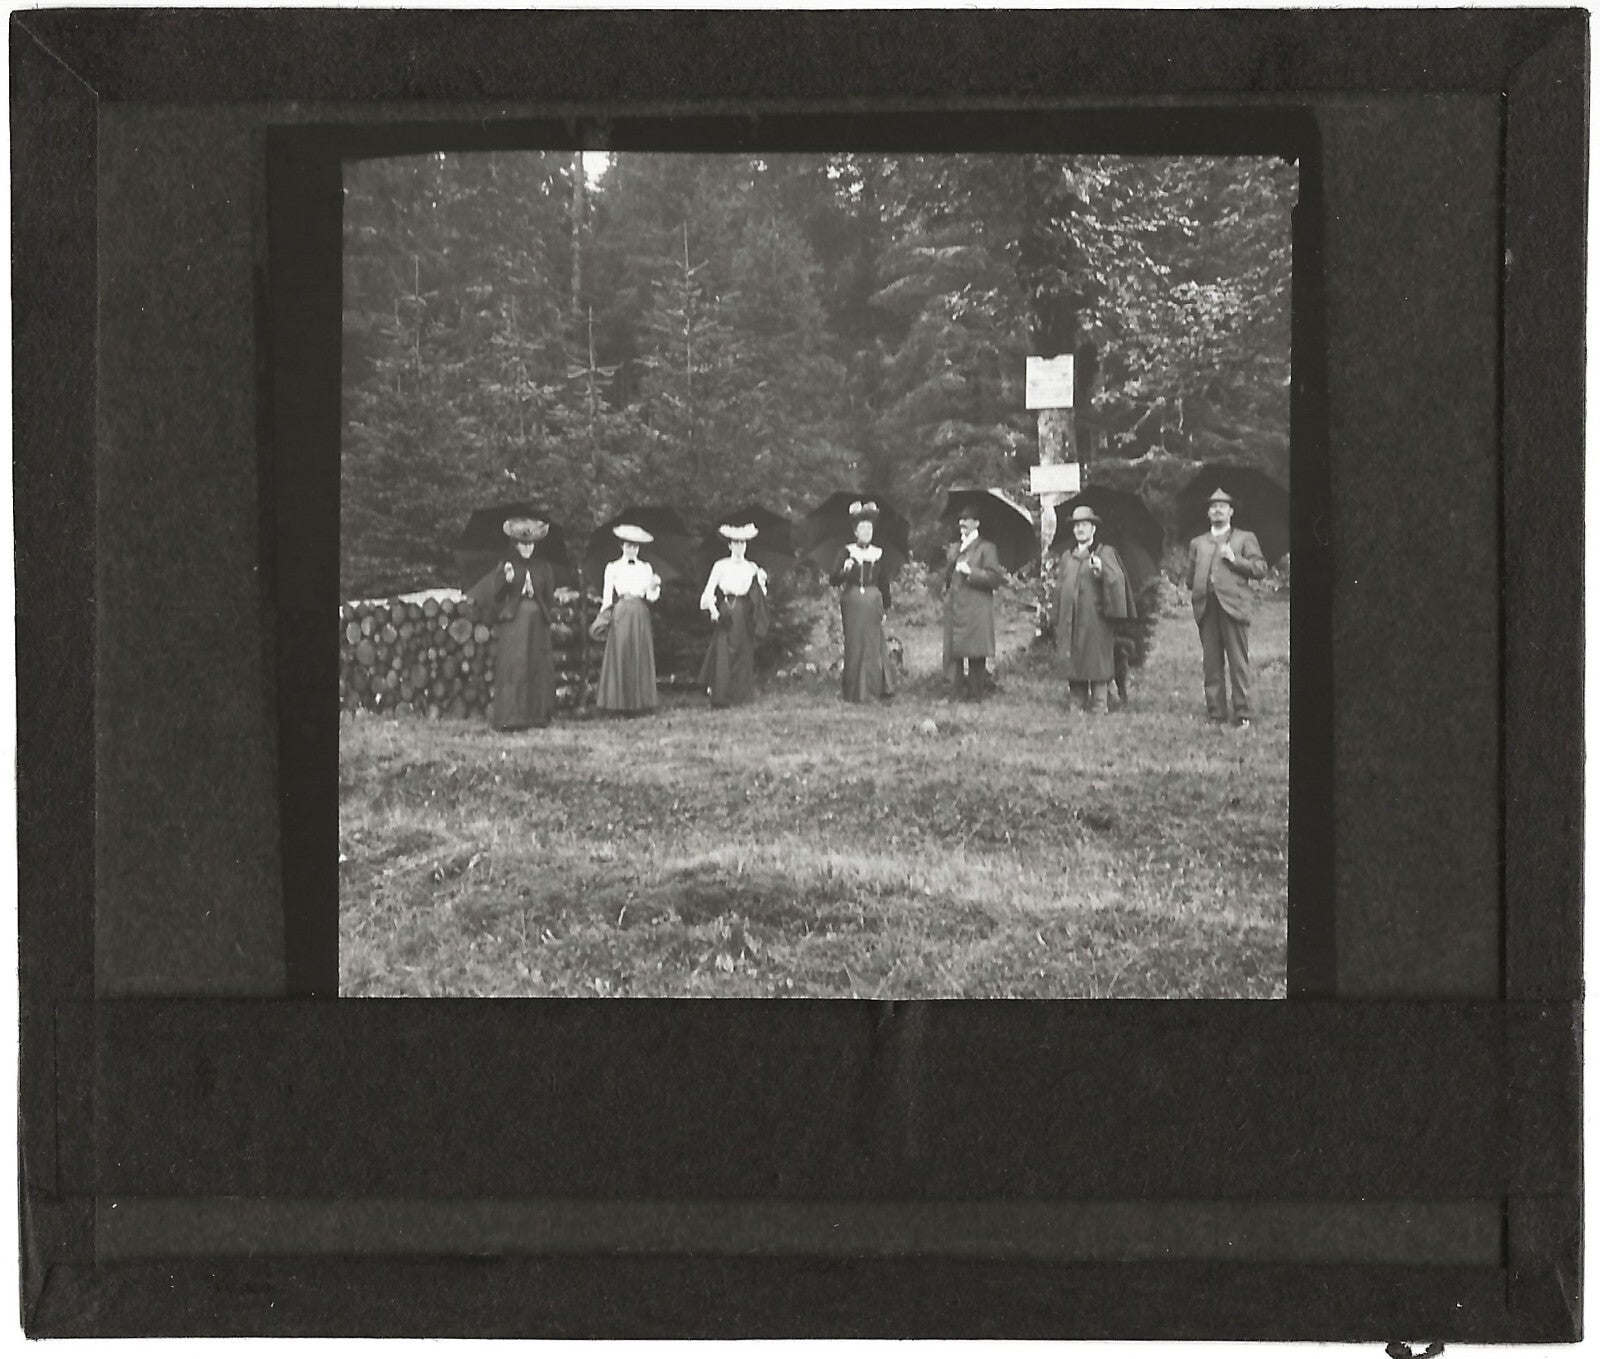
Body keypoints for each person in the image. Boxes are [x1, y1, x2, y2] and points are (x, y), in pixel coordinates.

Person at [1185, 488, 1268, 729]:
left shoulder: (1244, 538)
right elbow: (1190, 578)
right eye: (1212, 506)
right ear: (1208, 513)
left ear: (1231, 511)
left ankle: (1242, 713)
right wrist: (1200, 587)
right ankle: (1216, 713)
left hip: (1234, 607)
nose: (1217, 509)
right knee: (1211, 663)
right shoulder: (1198, 543)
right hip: (1207, 608)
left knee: (1238, 662)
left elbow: (1260, 568)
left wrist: (1235, 560)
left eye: (1222, 505)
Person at [467, 515, 558, 731]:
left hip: (537, 624)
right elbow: (497, 597)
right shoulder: (507, 565)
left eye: (530, 544)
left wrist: (538, 598)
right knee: (515, 668)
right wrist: (506, 581)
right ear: (516, 544)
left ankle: (537, 716)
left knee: (536, 667)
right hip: (514, 623)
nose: (527, 548)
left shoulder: (543, 567)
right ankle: (512, 717)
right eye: (523, 544)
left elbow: (549, 597)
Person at [1052, 504, 1134, 714]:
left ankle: (1100, 704)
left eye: (1084, 525)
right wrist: (1057, 618)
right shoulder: (1067, 557)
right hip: (1071, 619)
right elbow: (1060, 588)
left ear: (1093, 529)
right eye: (1076, 525)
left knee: (1096, 660)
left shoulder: (1104, 553)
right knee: (1075, 660)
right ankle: (1076, 702)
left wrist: (1102, 571)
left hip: (1096, 619)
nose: (1080, 529)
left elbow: (1118, 581)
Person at [827, 502, 896, 703]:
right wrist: (845, 570)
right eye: (863, 529)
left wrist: (885, 607)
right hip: (853, 601)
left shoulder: (878, 553)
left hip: (873, 600)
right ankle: (854, 692)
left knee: (873, 643)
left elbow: (884, 582)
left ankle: (873, 690)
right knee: (855, 644)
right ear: (856, 532)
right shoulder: (845, 552)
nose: (867, 532)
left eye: (870, 528)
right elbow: (834, 580)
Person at [698, 523, 770, 708]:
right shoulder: (721, 565)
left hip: (745, 611)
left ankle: (740, 695)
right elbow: (708, 592)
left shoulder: (752, 567)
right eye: (736, 543)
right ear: (729, 545)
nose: (739, 546)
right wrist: (713, 610)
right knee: (724, 651)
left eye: (743, 543)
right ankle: (721, 696)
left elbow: (759, 596)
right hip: (728, 609)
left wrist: (761, 581)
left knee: (743, 650)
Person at [595, 524, 662, 715]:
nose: (632, 549)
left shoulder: (646, 567)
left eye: (635, 546)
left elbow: (651, 597)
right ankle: (618, 704)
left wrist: (654, 586)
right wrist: (604, 617)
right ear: (621, 545)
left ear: (639, 548)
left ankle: (640, 703)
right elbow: (608, 596)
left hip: (640, 612)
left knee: (639, 654)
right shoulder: (613, 567)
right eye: (628, 545)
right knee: (621, 653)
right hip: (622, 611)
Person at [942, 509, 1005, 701]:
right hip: (955, 605)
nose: (962, 523)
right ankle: (952, 693)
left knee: (976, 652)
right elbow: (947, 577)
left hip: (977, 606)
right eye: (961, 519)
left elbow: (995, 578)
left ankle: (975, 693)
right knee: (953, 650)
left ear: (977, 523)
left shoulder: (987, 548)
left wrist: (972, 572)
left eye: (967, 519)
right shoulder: (955, 547)